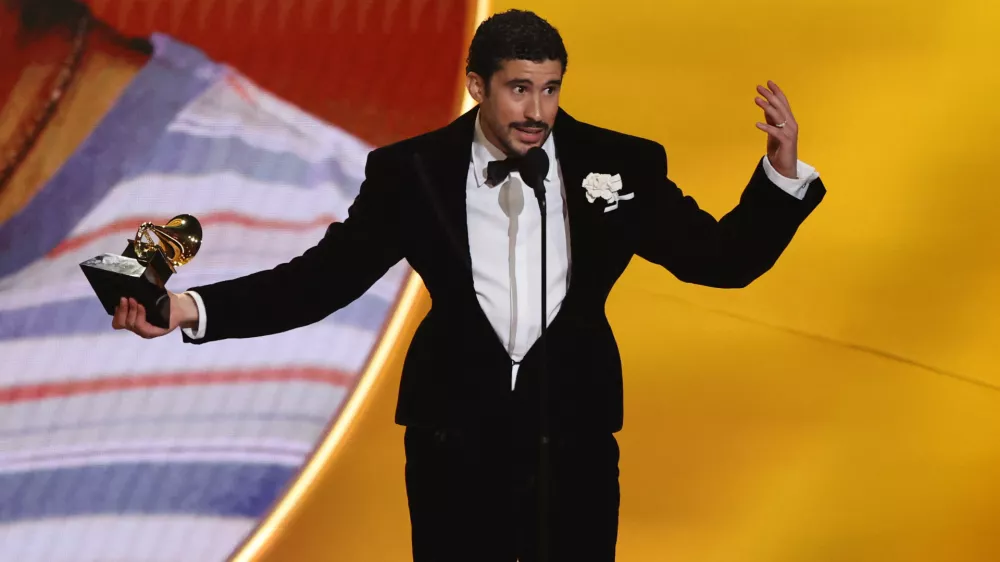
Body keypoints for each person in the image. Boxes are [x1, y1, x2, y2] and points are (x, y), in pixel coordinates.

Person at [113, 8, 826, 562]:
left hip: (573, 444)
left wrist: (780, 173)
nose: (537, 111)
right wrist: (188, 307)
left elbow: (721, 260)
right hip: (452, 445)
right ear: (478, 86)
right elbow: (322, 280)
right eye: (520, 89)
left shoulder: (620, 164)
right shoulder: (411, 172)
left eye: (550, 89)